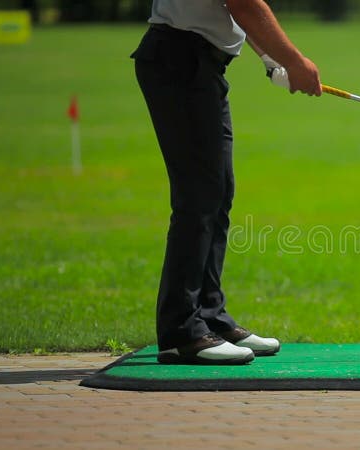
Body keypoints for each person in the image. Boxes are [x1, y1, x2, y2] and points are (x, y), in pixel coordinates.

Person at [131, 0, 321, 365]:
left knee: (216, 195)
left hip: (196, 64)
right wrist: (296, 62)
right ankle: (181, 332)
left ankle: (207, 317)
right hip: (181, 60)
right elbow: (244, 4)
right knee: (199, 199)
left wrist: (271, 58)